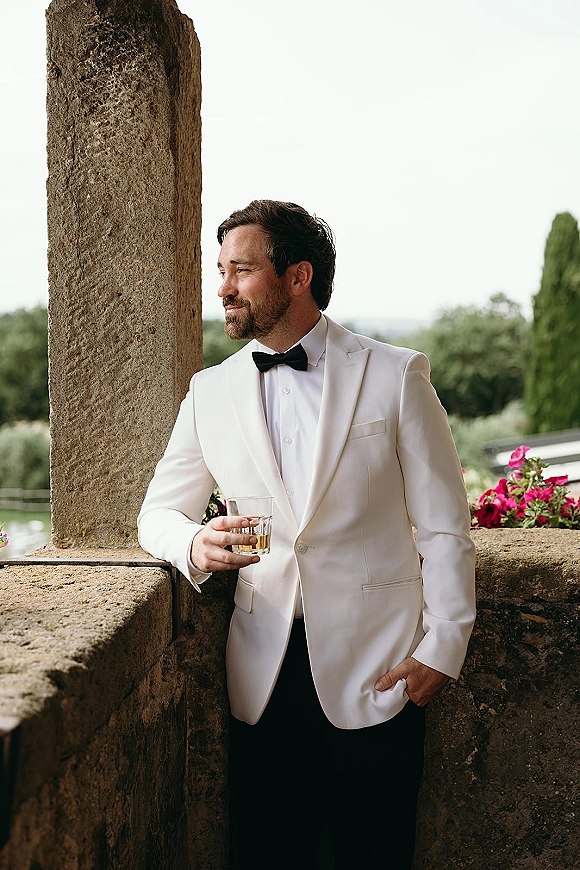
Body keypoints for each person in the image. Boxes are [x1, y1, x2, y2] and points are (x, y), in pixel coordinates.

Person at [138, 200, 476, 869]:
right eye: (221, 271)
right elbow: (157, 515)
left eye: (241, 271)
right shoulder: (211, 391)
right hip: (263, 674)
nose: (224, 288)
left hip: (380, 669)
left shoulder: (396, 373)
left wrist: (444, 645)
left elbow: (444, 526)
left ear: (297, 277)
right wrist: (194, 545)